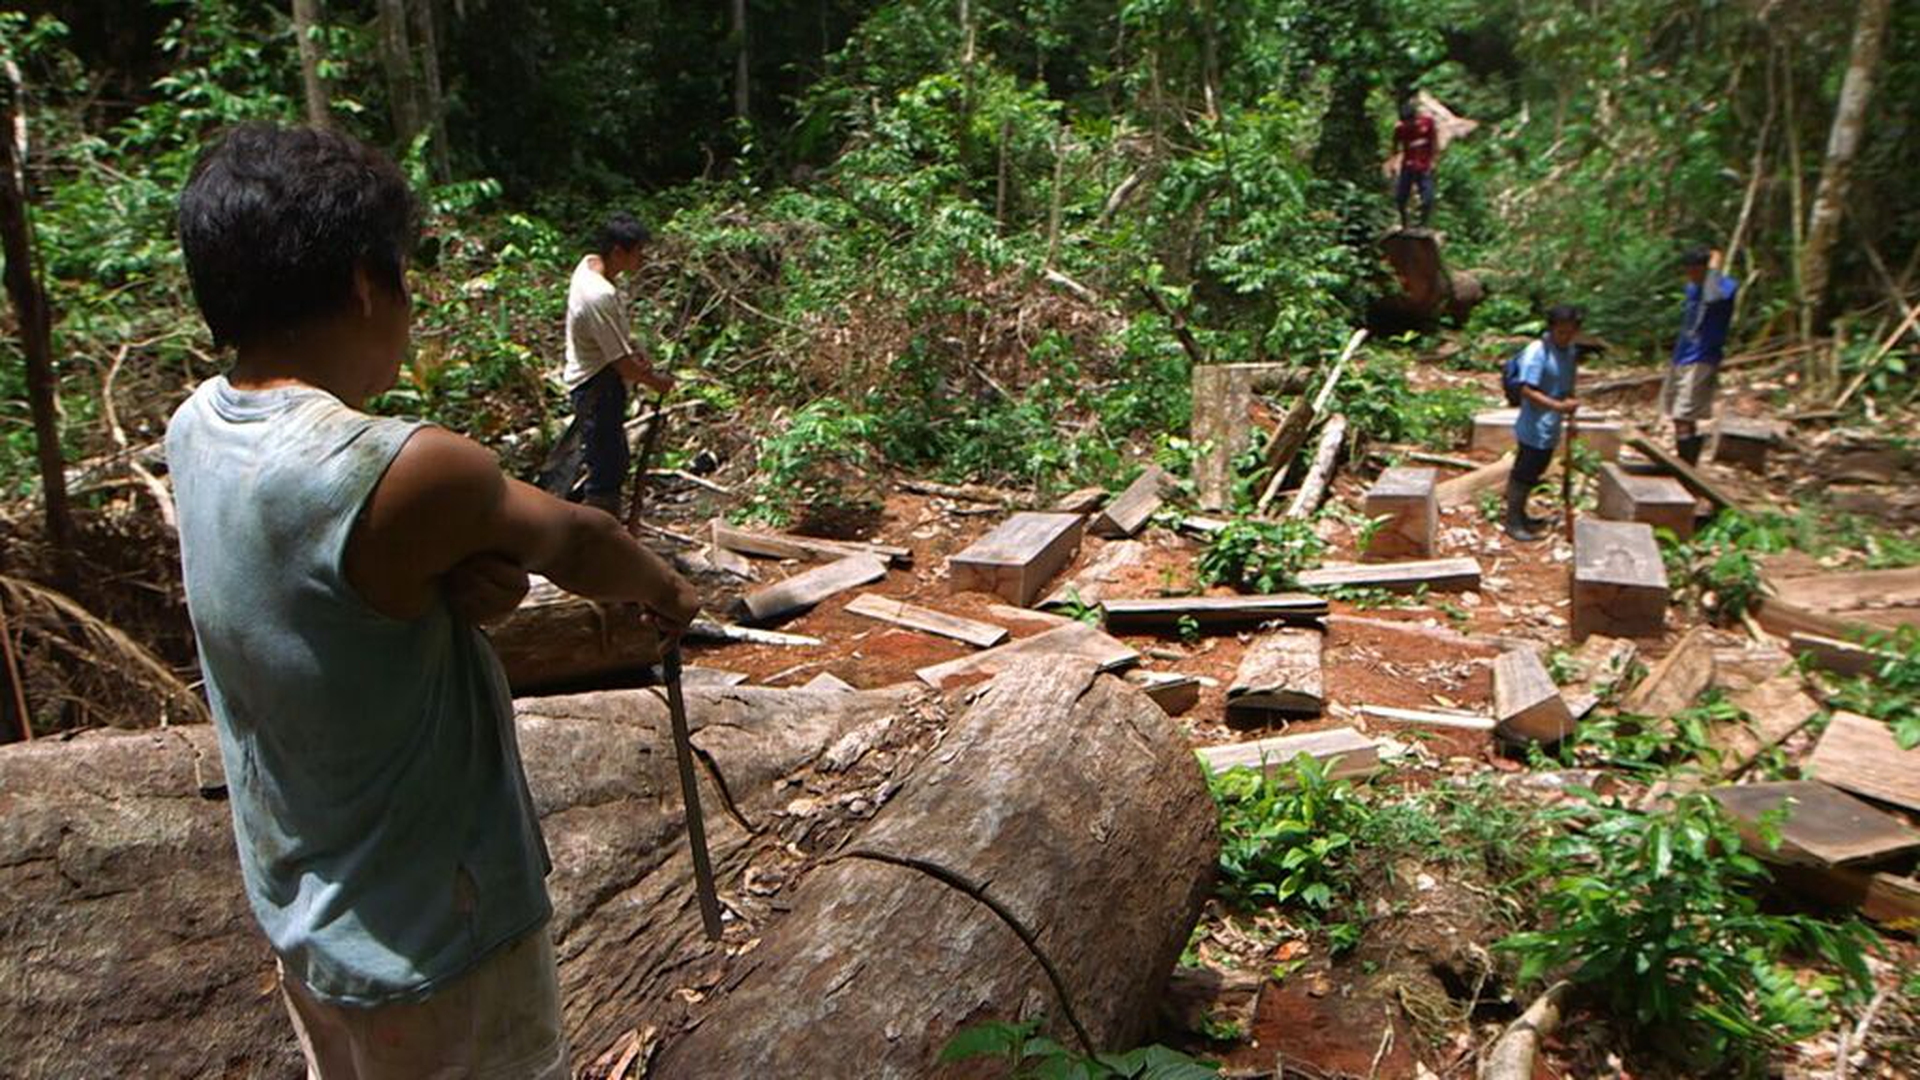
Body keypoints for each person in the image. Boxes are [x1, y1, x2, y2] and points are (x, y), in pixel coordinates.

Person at [168, 123, 700, 1079]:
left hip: (306, 911)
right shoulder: (402, 466)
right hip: (438, 937)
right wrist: (668, 589)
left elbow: (325, 601)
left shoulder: (197, 428)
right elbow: (580, 538)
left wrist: (445, 591)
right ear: (368, 282)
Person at [562, 214, 674, 514]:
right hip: (597, 386)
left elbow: (615, 342)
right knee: (607, 470)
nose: (642, 258)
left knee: (611, 460)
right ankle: (599, 538)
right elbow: (622, 366)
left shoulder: (591, 266)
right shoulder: (598, 294)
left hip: (600, 380)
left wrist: (633, 349)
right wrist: (657, 383)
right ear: (618, 252)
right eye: (637, 251)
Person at [1504, 305, 1583, 543]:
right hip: (1533, 424)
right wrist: (1557, 406)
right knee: (1525, 469)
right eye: (1561, 332)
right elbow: (1526, 388)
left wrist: (1570, 413)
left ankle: (1521, 514)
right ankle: (1513, 520)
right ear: (1551, 329)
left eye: (1570, 332)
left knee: (1537, 469)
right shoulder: (1538, 351)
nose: (1565, 337)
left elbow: (1568, 387)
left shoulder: (1569, 351)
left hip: (1552, 425)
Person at [1663, 245, 1738, 464]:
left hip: (1703, 358)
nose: (1690, 276)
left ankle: (1687, 470)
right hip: (1682, 356)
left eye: (1694, 271)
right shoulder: (1692, 288)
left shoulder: (1725, 286)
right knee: (1679, 416)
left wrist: (1714, 269)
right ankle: (1685, 465)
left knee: (1684, 414)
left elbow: (1713, 298)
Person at [1392, 99, 1438, 229]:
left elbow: (1434, 143)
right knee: (1400, 197)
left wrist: (1433, 161)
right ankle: (1404, 223)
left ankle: (1423, 224)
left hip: (1424, 167)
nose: (1408, 124)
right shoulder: (1401, 129)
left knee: (1428, 198)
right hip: (1408, 166)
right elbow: (1395, 148)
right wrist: (1394, 165)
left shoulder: (1427, 124)